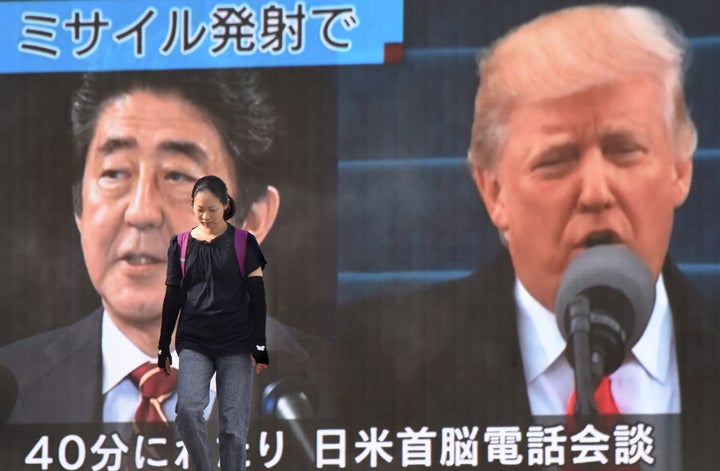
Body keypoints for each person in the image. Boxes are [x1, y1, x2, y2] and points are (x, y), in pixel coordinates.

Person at [338, 4, 720, 469]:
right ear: (494, 191)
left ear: (681, 169)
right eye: (556, 160)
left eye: (625, 150)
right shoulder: (365, 366)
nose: (596, 192)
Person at [0, 68, 331, 436]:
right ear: (79, 209)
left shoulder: (337, 386)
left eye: (178, 176)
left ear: (252, 220)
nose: (140, 212)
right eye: (114, 173)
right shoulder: (11, 384)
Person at [157, 175, 268, 471]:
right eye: (199, 209)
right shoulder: (180, 245)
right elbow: (172, 298)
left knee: (233, 427)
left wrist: (260, 343)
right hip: (194, 342)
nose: (205, 216)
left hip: (236, 343)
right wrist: (163, 345)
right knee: (187, 410)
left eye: (212, 210)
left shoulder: (244, 242)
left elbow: (257, 296)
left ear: (226, 206)